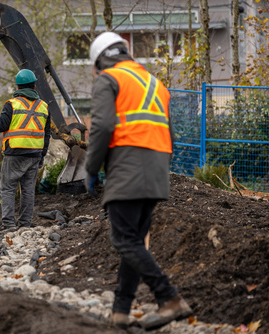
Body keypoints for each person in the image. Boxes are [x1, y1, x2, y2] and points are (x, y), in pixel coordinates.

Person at [85, 32, 193, 330]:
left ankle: (169, 298)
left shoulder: (109, 80)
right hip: (157, 169)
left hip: (127, 167)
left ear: (102, 59)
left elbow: (104, 126)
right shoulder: (156, 84)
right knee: (133, 241)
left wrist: (92, 168)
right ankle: (120, 311)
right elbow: (169, 133)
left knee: (123, 239)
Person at [0, 69, 50, 232]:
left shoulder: (12, 104)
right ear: (34, 85)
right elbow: (47, 134)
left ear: (18, 86)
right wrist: (42, 155)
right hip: (34, 154)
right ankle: (25, 224)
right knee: (28, 191)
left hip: (15, 153)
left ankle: (8, 224)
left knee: (8, 188)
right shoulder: (44, 106)